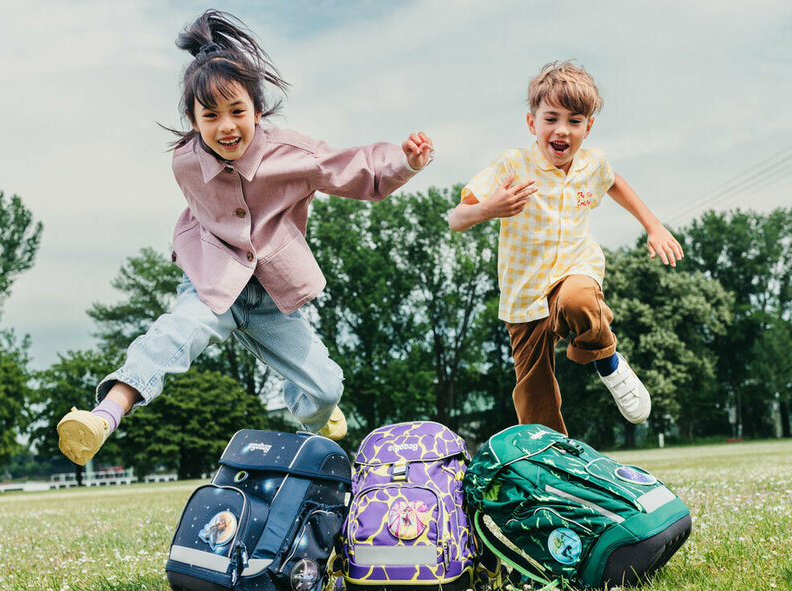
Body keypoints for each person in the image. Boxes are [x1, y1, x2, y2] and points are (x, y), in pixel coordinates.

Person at [57, 10, 433, 465]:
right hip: (212, 283)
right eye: (210, 116)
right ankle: (102, 417)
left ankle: (317, 412)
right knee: (173, 334)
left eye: (237, 111)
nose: (227, 126)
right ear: (194, 122)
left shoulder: (292, 155)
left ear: (258, 110)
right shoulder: (185, 162)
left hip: (273, 295)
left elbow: (352, 168)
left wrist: (404, 162)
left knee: (326, 388)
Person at [448, 61, 682, 434]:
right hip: (523, 296)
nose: (562, 130)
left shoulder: (593, 164)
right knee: (533, 395)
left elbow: (614, 182)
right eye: (551, 118)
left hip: (574, 269)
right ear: (532, 123)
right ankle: (552, 462)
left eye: (574, 121)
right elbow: (456, 218)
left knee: (579, 300)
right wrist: (489, 208)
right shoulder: (513, 164)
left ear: (588, 127)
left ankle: (606, 361)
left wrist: (652, 226)